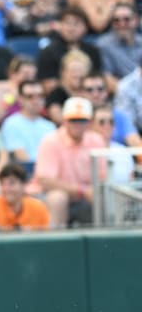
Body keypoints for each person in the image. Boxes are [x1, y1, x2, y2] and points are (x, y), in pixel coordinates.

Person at [34, 97, 106, 227]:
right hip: (50, 196)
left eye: (82, 120)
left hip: (85, 198)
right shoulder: (51, 140)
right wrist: (82, 190)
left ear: (89, 122)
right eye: (73, 120)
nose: (77, 124)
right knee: (57, 198)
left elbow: (102, 177)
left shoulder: (96, 140)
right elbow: (45, 181)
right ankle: (55, 243)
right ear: (64, 121)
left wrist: (91, 191)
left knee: (105, 196)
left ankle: (104, 243)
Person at [36, 6, 102, 94]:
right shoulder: (48, 52)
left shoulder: (93, 51)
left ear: (85, 27)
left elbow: (98, 80)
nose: (71, 28)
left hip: (90, 96)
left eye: (76, 24)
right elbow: (48, 85)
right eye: (67, 23)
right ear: (60, 26)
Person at [0, 80, 56, 168]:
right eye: (30, 97)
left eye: (40, 96)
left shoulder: (49, 126)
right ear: (20, 99)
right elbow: (22, 158)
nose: (36, 100)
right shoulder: (11, 124)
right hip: (25, 172)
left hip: (48, 171)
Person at [83, 72, 142, 148]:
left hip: (118, 157)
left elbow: (137, 146)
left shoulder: (120, 116)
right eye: (89, 90)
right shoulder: (77, 117)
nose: (95, 94)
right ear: (82, 93)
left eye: (100, 89)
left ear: (106, 91)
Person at [0, 163, 50, 231]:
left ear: (24, 185)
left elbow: (45, 237)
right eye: (2, 184)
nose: (6, 188)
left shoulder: (38, 209)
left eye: (12, 183)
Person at [96, 3, 142, 83]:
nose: (122, 24)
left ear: (136, 20)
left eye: (126, 19)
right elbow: (107, 77)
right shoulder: (104, 44)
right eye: (116, 20)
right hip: (119, 92)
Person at [91, 104, 134, 184]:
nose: (107, 125)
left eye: (111, 122)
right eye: (102, 122)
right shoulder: (86, 150)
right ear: (92, 125)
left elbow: (131, 181)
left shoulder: (124, 151)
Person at [45, 50, 91, 125]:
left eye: (80, 70)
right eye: (73, 71)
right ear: (63, 73)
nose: (77, 74)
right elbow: (57, 118)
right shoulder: (56, 94)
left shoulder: (91, 91)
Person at [0, 56, 37, 124]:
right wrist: (11, 97)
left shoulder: (35, 90)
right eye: (26, 75)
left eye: (33, 75)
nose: (30, 80)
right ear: (12, 73)